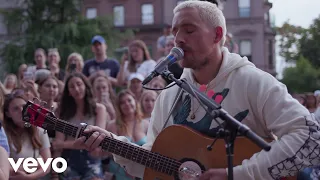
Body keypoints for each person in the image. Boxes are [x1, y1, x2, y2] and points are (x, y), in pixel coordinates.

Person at [73, 1, 320, 180]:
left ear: (217, 35)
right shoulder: (169, 95)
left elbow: (309, 138)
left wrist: (239, 174)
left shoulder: (253, 81)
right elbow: (156, 159)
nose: (178, 39)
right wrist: (114, 145)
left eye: (189, 30)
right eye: (175, 31)